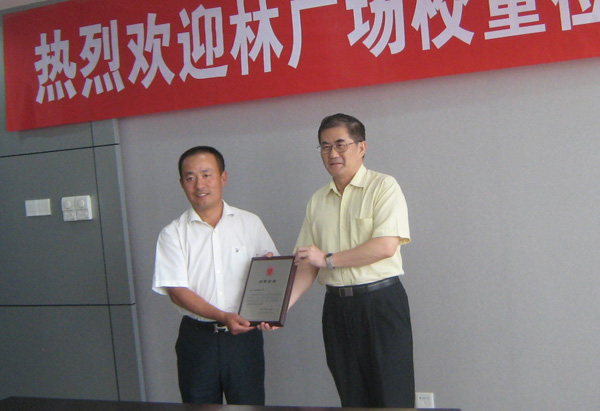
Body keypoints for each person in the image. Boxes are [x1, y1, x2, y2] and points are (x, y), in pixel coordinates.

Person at [291, 113, 414, 408]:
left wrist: (328, 259)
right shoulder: (317, 200)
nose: (332, 153)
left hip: (380, 304)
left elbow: (385, 246)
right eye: (325, 146)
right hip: (336, 308)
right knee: (352, 397)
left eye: (340, 144)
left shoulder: (384, 187)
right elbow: (308, 262)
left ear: (361, 147)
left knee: (392, 396)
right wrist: (279, 309)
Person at [152, 146, 279, 405]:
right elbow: (177, 292)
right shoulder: (172, 234)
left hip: (244, 339)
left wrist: (271, 309)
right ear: (182, 183)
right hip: (198, 340)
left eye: (207, 175)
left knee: (249, 406)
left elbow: (272, 271)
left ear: (223, 177)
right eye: (190, 177)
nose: (199, 184)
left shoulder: (250, 223)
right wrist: (223, 316)